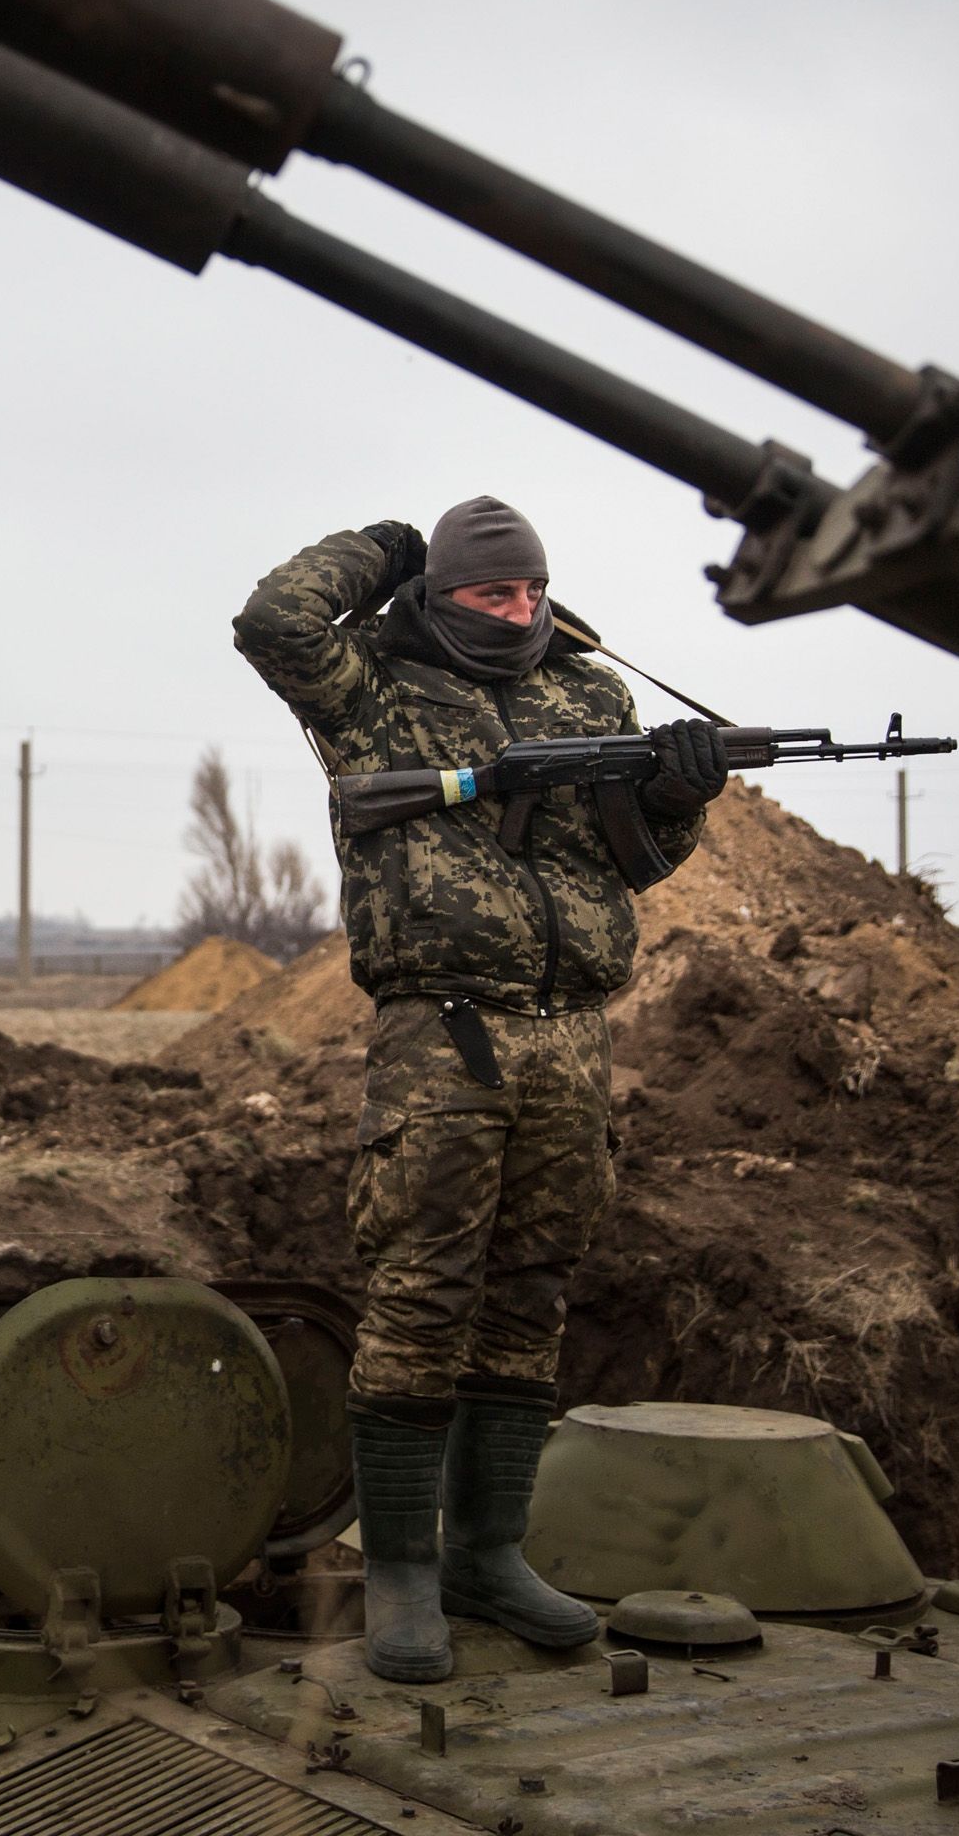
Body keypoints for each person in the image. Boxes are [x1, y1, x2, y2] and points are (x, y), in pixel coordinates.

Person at [233, 495, 726, 1683]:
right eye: (489, 593)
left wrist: (676, 795)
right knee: (423, 1287)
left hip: (572, 1035)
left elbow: (626, 861)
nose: (517, 611)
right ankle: (403, 1566)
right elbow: (271, 618)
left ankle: (489, 1553)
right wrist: (389, 549)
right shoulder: (371, 686)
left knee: (532, 1290)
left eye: (530, 592)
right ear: (441, 597)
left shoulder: (590, 692)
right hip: (444, 1034)